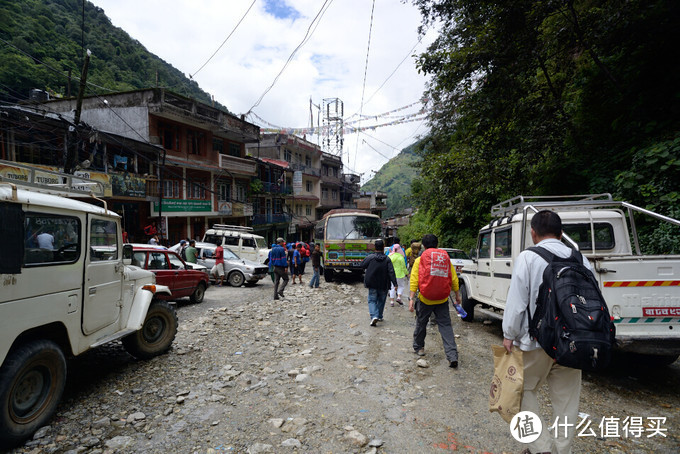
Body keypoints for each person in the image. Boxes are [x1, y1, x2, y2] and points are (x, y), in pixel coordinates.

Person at [502, 210, 590, 454]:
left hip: (536, 342)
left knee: (521, 390)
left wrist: (509, 334)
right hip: (573, 341)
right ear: (561, 234)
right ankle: (563, 450)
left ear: (533, 233)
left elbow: (517, 301)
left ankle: (541, 448)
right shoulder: (580, 259)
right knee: (567, 402)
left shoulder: (528, 257)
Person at [408, 233, 460, 368]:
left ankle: (419, 348)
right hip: (442, 299)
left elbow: (414, 279)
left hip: (425, 298)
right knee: (446, 326)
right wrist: (457, 295)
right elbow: (453, 278)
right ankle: (452, 355)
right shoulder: (445, 258)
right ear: (437, 244)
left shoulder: (420, 259)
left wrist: (411, 298)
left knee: (421, 322)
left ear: (424, 246)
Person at [361, 239, 397, 327]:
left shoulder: (370, 257)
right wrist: (395, 284)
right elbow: (391, 272)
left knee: (372, 300)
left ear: (374, 247)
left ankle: (374, 316)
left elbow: (362, 265)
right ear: (383, 247)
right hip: (384, 283)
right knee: (382, 300)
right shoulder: (387, 259)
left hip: (372, 283)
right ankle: (379, 316)